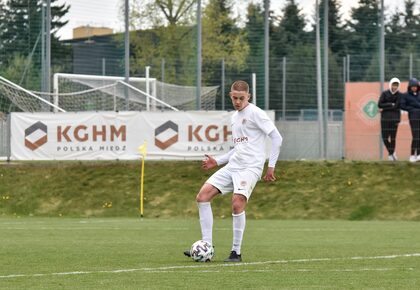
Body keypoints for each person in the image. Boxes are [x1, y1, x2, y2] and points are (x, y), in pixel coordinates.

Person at [184, 80, 283, 262]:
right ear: (230, 96)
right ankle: (206, 246)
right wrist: (218, 161)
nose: (238, 102)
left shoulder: (256, 113)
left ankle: (235, 252)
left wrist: (271, 166)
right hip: (234, 165)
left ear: (248, 97)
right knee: (202, 196)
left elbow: (276, 137)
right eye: (235, 98)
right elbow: (238, 148)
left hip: (250, 167)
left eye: (241, 98)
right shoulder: (234, 117)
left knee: (237, 204)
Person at [377, 77, 402, 161]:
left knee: (393, 137)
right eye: (393, 85)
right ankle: (392, 152)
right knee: (384, 137)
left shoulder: (399, 95)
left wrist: (384, 108)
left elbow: (397, 107)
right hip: (384, 119)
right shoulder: (384, 93)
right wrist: (390, 104)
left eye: (396, 85)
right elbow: (379, 104)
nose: (395, 87)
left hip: (394, 120)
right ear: (390, 85)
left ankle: (390, 155)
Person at [400, 78, 420, 162]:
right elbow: (402, 105)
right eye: (413, 86)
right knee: (415, 136)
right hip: (413, 118)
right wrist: (412, 109)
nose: (414, 88)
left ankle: (418, 155)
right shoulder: (405, 95)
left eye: (416, 86)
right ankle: (412, 155)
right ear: (410, 87)